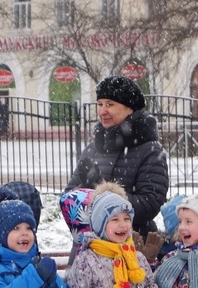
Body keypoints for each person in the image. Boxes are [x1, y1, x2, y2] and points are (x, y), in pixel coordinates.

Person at [65, 75, 169, 238]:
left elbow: (149, 205)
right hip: (92, 247)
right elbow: (69, 200)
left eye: (110, 104)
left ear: (130, 108)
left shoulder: (150, 151)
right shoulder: (93, 149)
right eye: (99, 104)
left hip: (132, 246)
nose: (102, 111)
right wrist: (84, 190)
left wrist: (100, 189)